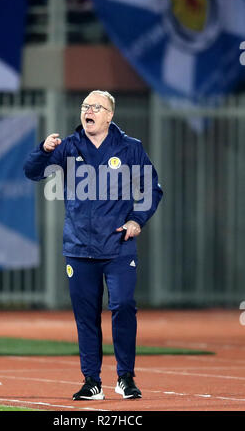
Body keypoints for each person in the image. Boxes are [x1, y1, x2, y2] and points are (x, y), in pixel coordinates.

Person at [24, 90, 163, 400]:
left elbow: (152, 189)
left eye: (96, 107)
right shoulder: (68, 147)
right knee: (86, 316)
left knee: (123, 306)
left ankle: (125, 377)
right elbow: (32, 172)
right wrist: (43, 150)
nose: (88, 110)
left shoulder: (130, 148)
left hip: (118, 245)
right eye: (85, 106)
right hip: (79, 247)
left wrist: (136, 220)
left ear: (109, 115)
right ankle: (92, 381)